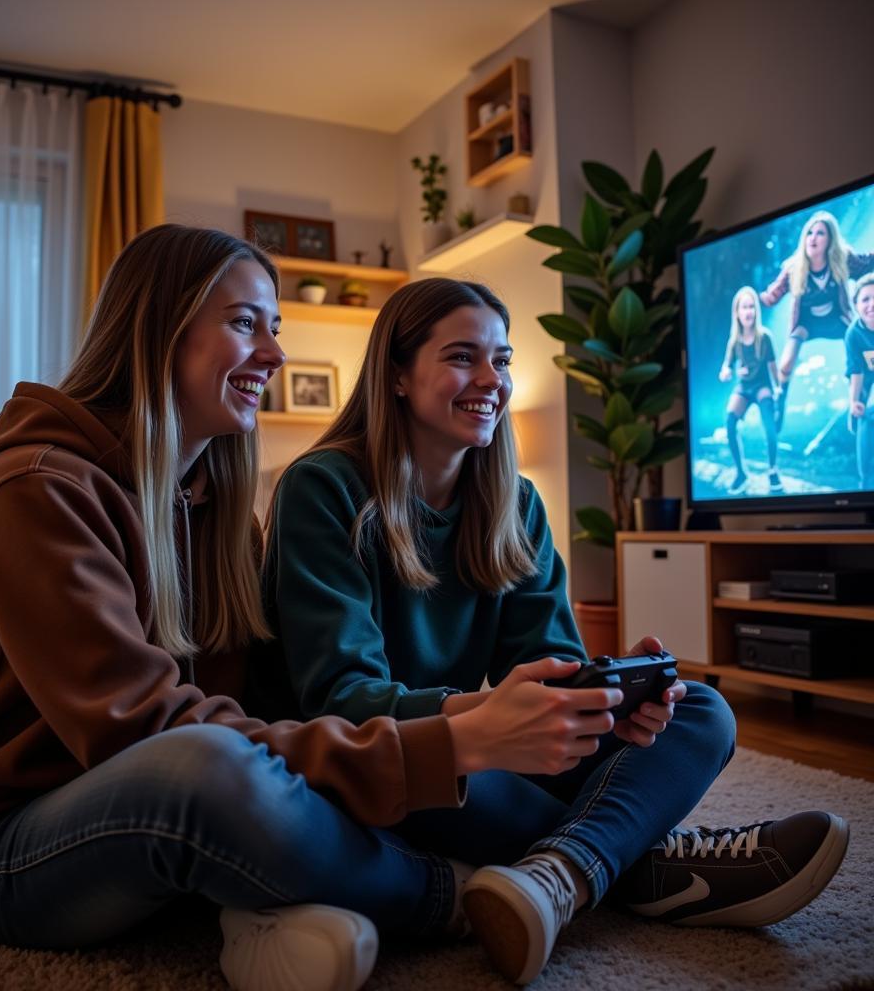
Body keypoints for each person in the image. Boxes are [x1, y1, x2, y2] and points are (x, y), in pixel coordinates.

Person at [0, 227, 634, 991]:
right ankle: (466, 891)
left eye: (273, 327)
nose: (275, 354)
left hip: (169, 821)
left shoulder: (212, 507)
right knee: (211, 767)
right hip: (7, 850)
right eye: (247, 322)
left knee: (693, 713)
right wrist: (447, 743)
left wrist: (591, 709)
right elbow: (144, 736)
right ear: (160, 326)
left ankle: (562, 863)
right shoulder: (36, 490)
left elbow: (266, 707)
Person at [253, 277, 850, 986]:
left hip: (477, 740)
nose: (491, 380)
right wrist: (487, 718)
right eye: (462, 357)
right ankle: (643, 865)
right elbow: (340, 698)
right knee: (470, 777)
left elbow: (550, 661)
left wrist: (605, 694)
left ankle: (558, 874)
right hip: (376, 761)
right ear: (398, 378)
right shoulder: (323, 489)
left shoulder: (514, 501)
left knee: (702, 711)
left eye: (501, 361)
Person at [760, 209, 874, 430]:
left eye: (820, 233)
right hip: (805, 324)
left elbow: (867, 262)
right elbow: (777, 290)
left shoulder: (842, 259)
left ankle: (858, 402)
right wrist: (765, 297)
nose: (813, 238)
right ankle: (779, 404)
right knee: (784, 366)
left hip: (837, 318)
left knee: (859, 352)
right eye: (810, 232)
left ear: (830, 239)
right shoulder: (795, 267)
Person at [718, 285, 782, 493]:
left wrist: (778, 388)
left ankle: (772, 469)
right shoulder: (734, 341)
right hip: (744, 387)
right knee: (729, 421)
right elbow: (726, 366)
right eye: (744, 307)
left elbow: (773, 367)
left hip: (763, 386)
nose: (748, 311)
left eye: (751, 307)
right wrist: (727, 372)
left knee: (769, 425)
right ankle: (740, 472)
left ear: (756, 311)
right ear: (737, 312)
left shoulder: (765, 337)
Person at [845, 272, 874, 488]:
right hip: (869, 387)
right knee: (863, 416)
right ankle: (865, 486)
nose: (872, 304)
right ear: (856, 305)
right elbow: (856, 371)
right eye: (865, 299)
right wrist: (853, 402)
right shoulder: (853, 333)